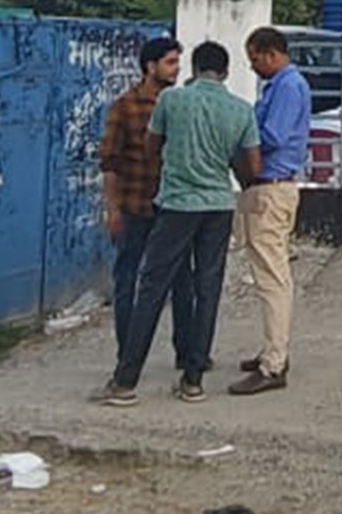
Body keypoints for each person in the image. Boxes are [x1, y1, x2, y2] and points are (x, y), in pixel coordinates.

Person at [101, 42, 259, 406]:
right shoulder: (241, 110)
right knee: (207, 288)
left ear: (195, 68)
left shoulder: (172, 101)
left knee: (151, 287)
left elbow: (151, 147)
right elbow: (252, 168)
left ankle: (125, 381)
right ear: (226, 72)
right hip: (218, 206)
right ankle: (193, 379)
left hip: (176, 204)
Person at [99, 35, 195, 374]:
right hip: (135, 203)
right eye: (170, 62)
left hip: (173, 205)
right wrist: (112, 209)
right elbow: (110, 163)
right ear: (150, 66)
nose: (176, 69)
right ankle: (128, 353)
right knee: (128, 279)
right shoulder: (125, 106)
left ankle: (187, 352)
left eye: (177, 62)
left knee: (183, 281)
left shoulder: (180, 104)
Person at [230, 26, 311, 396]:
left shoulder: (288, 87)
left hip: (272, 186)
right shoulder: (278, 86)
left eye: (255, 59)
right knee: (269, 273)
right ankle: (272, 349)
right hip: (265, 186)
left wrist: (237, 140)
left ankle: (274, 363)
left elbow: (271, 136)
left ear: (271, 54)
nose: (253, 67)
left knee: (271, 278)